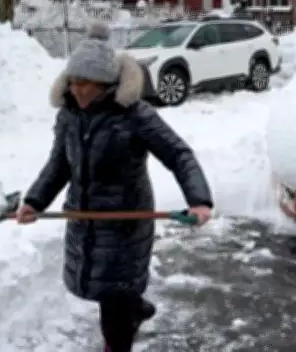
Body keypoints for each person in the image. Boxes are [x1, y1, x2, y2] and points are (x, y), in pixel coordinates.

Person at [16, 21, 215, 352]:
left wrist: (199, 200)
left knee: (113, 305)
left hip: (125, 225)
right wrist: (35, 201)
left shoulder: (134, 115)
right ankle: (134, 309)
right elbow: (59, 165)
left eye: (85, 83)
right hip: (84, 220)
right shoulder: (69, 116)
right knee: (105, 288)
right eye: (73, 82)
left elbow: (178, 155)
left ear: (106, 84)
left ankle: (123, 328)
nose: (77, 90)